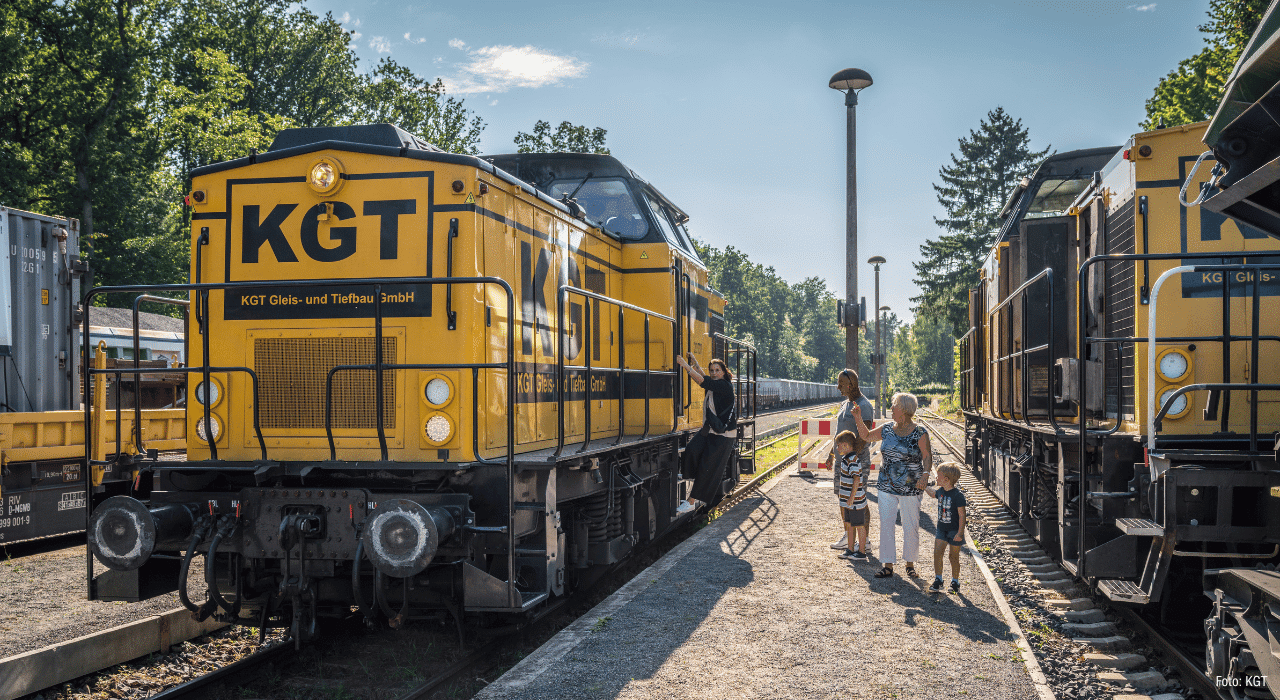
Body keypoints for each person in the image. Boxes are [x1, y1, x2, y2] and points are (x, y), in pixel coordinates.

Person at [850, 392, 931, 579]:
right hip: (886, 485)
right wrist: (857, 417)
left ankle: (910, 564)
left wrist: (925, 474)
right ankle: (887, 565)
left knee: (911, 525)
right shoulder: (887, 429)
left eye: (893, 405)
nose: (891, 408)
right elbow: (866, 436)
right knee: (886, 525)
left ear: (903, 410)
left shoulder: (920, 432)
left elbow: (926, 456)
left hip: (911, 486)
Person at [675, 354, 736, 514]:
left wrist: (685, 366)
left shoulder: (724, 386)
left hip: (723, 435)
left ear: (723, 372)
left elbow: (703, 381)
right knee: (692, 450)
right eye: (712, 370)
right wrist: (696, 365)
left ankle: (691, 502)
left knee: (706, 468)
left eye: (717, 370)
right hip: (710, 431)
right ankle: (689, 474)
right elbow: (705, 379)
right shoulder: (714, 384)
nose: (714, 373)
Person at [828, 369, 875, 552]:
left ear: (851, 384)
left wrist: (852, 460)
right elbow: (840, 434)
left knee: (859, 499)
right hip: (842, 462)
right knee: (842, 497)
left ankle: (866, 540)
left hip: (856, 462)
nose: (838, 387)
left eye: (841, 383)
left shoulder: (864, 405)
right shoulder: (844, 404)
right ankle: (848, 537)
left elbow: (864, 436)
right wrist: (832, 454)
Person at [925, 461, 967, 593]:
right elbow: (933, 494)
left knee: (953, 557)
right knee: (937, 553)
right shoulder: (941, 491)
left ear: (946, 479)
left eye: (938, 476)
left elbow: (962, 515)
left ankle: (955, 582)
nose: (936, 478)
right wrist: (924, 486)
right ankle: (939, 579)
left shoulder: (958, 496)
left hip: (955, 531)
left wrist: (960, 533)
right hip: (941, 529)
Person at [833, 430, 870, 561]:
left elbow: (857, 479)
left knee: (859, 525)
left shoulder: (853, 461)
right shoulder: (847, 459)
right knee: (849, 524)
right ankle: (850, 549)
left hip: (855, 502)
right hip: (848, 501)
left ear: (846, 446)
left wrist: (852, 498)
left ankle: (861, 552)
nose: (837, 448)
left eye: (838, 445)